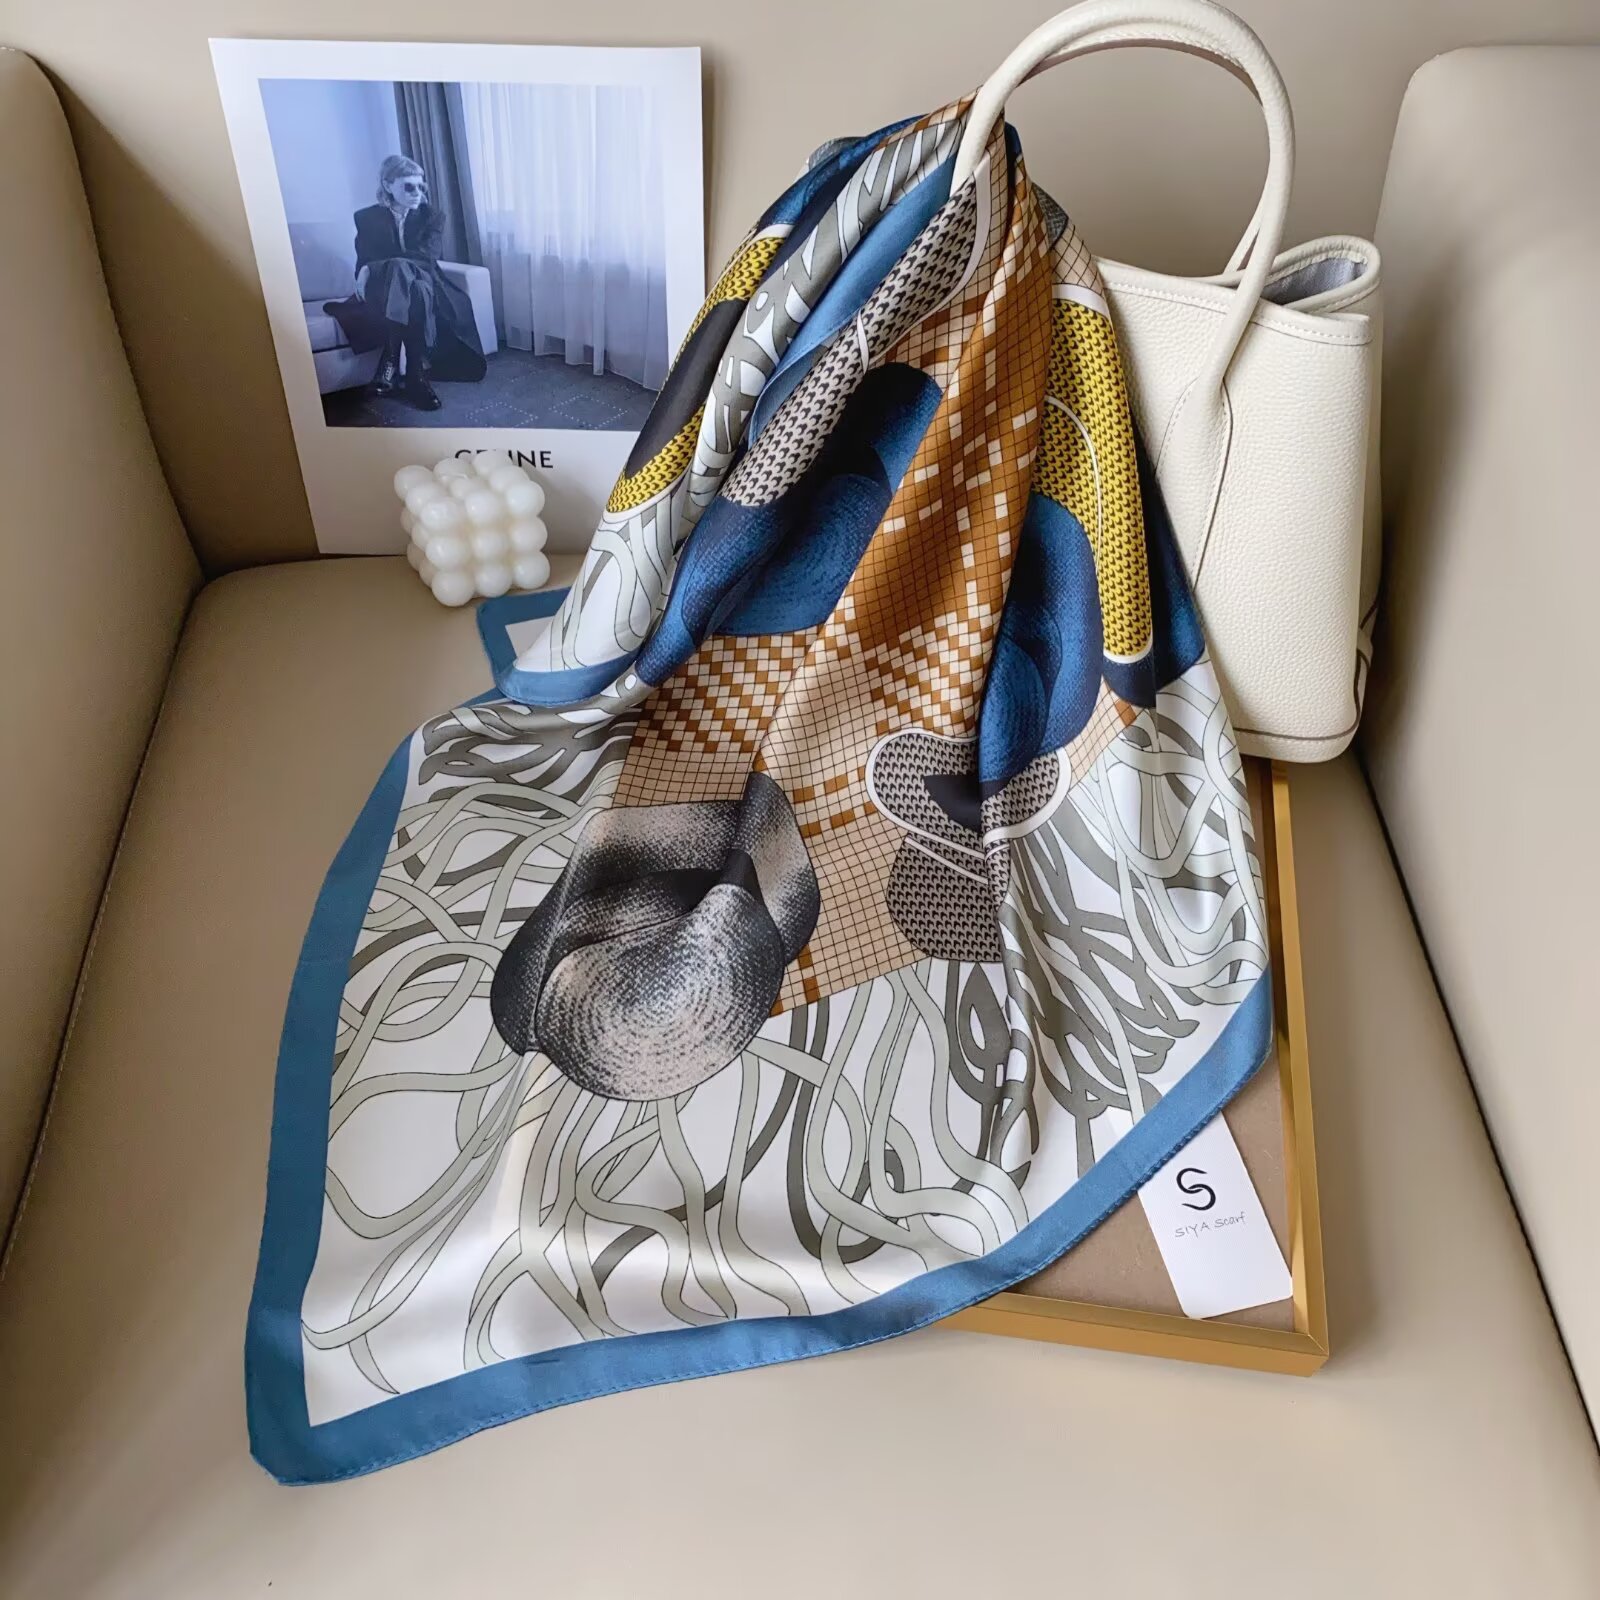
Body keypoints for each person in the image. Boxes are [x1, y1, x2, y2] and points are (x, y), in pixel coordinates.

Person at [325, 154, 487, 411]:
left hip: (425, 278)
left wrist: (373, 267)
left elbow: (426, 256)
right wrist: (369, 268)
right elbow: (365, 257)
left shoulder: (431, 215)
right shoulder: (366, 217)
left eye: (421, 186)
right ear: (388, 185)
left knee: (411, 279)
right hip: (384, 287)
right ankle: (415, 377)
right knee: (413, 288)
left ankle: (389, 361)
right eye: (408, 186)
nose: (417, 193)